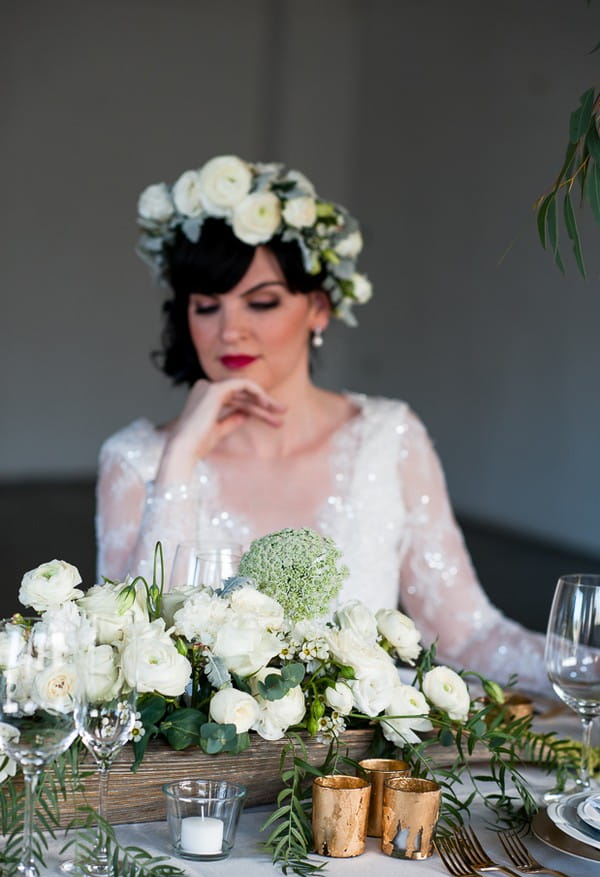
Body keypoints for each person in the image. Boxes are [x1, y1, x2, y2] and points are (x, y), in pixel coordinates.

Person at [96, 154, 548, 694]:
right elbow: (125, 662)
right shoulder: (137, 460)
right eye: (206, 306)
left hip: (361, 768)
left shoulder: (390, 440)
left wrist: (583, 667)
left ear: (319, 308)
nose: (230, 331)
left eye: (261, 302)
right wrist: (177, 469)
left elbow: (467, 635)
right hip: (202, 775)